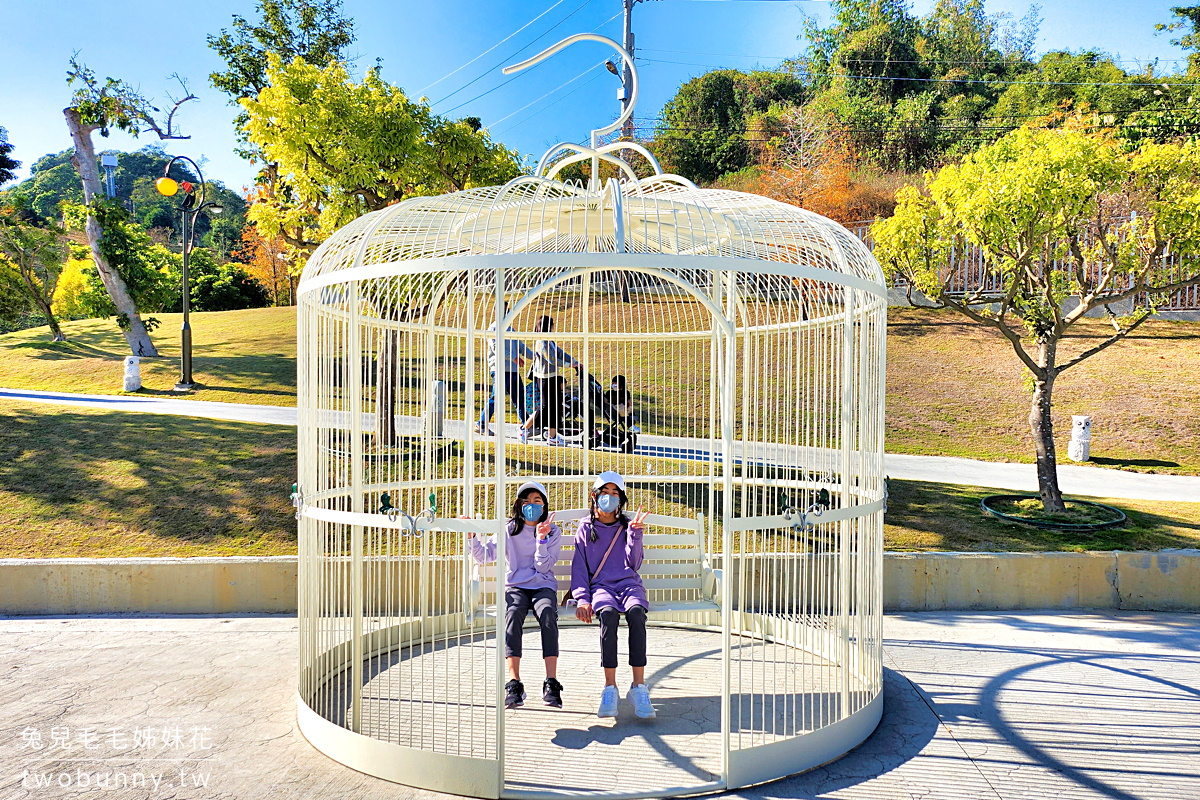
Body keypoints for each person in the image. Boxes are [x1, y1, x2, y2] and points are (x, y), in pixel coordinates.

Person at [467, 481, 565, 709]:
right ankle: (514, 682)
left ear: (545, 505)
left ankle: (551, 681)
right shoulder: (508, 529)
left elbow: (543, 567)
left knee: (548, 614)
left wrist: (542, 539)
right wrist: (472, 536)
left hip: (543, 585)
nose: (532, 505)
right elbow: (483, 556)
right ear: (519, 505)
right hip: (516, 587)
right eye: (526, 501)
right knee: (512, 614)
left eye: (537, 501)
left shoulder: (554, 531)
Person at [570, 471, 655, 719]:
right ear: (594, 497)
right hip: (602, 588)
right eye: (604, 493)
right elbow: (579, 567)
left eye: (615, 493)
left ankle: (638, 686)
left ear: (621, 500)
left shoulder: (627, 526)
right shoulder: (586, 528)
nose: (609, 498)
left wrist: (636, 535)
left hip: (629, 585)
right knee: (607, 616)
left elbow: (635, 563)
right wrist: (583, 598)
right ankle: (610, 686)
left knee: (637, 614)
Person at [520, 315, 581, 447]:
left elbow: (559, 353)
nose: (554, 327)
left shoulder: (549, 340)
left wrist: (574, 361)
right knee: (546, 407)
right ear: (549, 326)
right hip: (544, 378)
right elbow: (551, 359)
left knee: (555, 407)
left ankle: (552, 437)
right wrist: (569, 365)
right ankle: (524, 429)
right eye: (553, 325)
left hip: (552, 376)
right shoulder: (542, 341)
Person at [476, 303, 535, 437]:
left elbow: (521, 347)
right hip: (500, 370)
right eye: (503, 310)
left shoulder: (511, 330)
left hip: (513, 371)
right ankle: (481, 424)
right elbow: (496, 348)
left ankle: (526, 426)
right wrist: (514, 358)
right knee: (496, 398)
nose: (506, 313)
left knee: (520, 399)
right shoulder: (493, 329)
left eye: (506, 310)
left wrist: (535, 356)